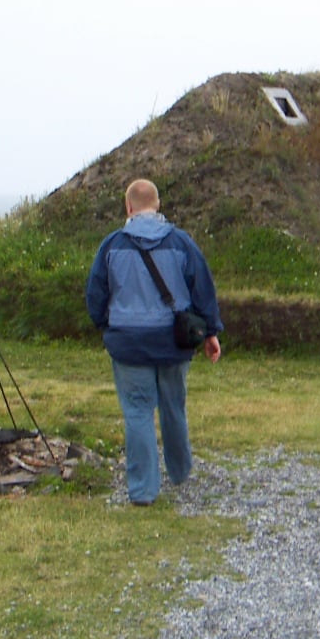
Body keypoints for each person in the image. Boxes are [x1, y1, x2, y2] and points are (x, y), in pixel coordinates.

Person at [85, 179, 223, 506]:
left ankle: (143, 490)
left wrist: (108, 324)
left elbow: (96, 295)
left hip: (129, 343)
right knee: (174, 407)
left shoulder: (111, 245)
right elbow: (202, 288)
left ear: (128, 207)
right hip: (174, 341)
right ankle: (180, 472)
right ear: (157, 205)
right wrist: (212, 332)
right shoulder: (181, 242)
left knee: (137, 411)